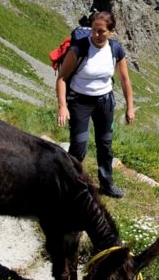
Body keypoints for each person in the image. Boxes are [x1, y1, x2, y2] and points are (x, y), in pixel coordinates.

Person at [56, 11, 134, 198]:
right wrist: (62, 106)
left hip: (104, 102)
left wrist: (130, 107)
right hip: (79, 101)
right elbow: (62, 78)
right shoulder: (79, 49)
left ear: (111, 32)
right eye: (94, 31)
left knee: (105, 145)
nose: (96, 35)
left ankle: (106, 184)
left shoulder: (115, 49)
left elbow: (125, 80)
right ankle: (69, 184)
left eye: (101, 31)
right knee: (79, 147)